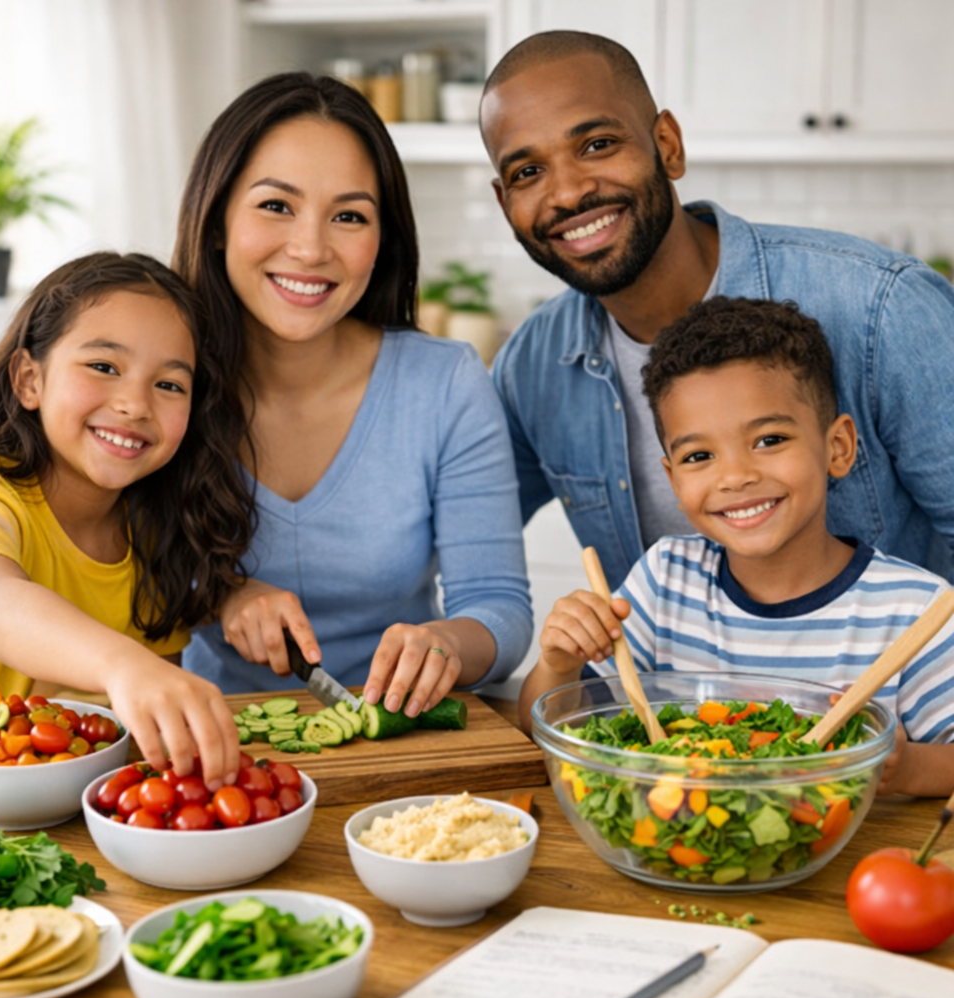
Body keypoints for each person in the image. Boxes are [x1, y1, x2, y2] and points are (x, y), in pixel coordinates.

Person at [480, 30, 954, 591]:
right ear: (504, 201)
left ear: (668, 145)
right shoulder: (531, 367)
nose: (567, 193)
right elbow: (463, 540)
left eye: (598, 144)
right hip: (652, 684)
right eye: (527, 173)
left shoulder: (883, 309)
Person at [173, 72, 531, 718]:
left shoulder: (445, 383)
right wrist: (222, 595)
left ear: (381, 241)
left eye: (348, 216)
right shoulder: (165, 382)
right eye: (276, 206)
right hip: (214, 751)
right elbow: (118, 570)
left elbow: (500, 609)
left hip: (400, 743)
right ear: (218, 218)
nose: (311, 249)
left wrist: (447, 642)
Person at [520, 296, 954, 797]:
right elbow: (551, 725)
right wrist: (558, 663)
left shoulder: (915, 609)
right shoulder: (664, 580)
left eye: (769, 440)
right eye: (699, 455)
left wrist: (907, 768)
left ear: (838, 448)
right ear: (672, 478)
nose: (735, 477)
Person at [0, 252, 254, 790]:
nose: (134, 404)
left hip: (71, 819)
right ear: (28, 380)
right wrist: (126, 666)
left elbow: (139, 734)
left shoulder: (156, 535)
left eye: (170, 385)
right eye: (104, 367)